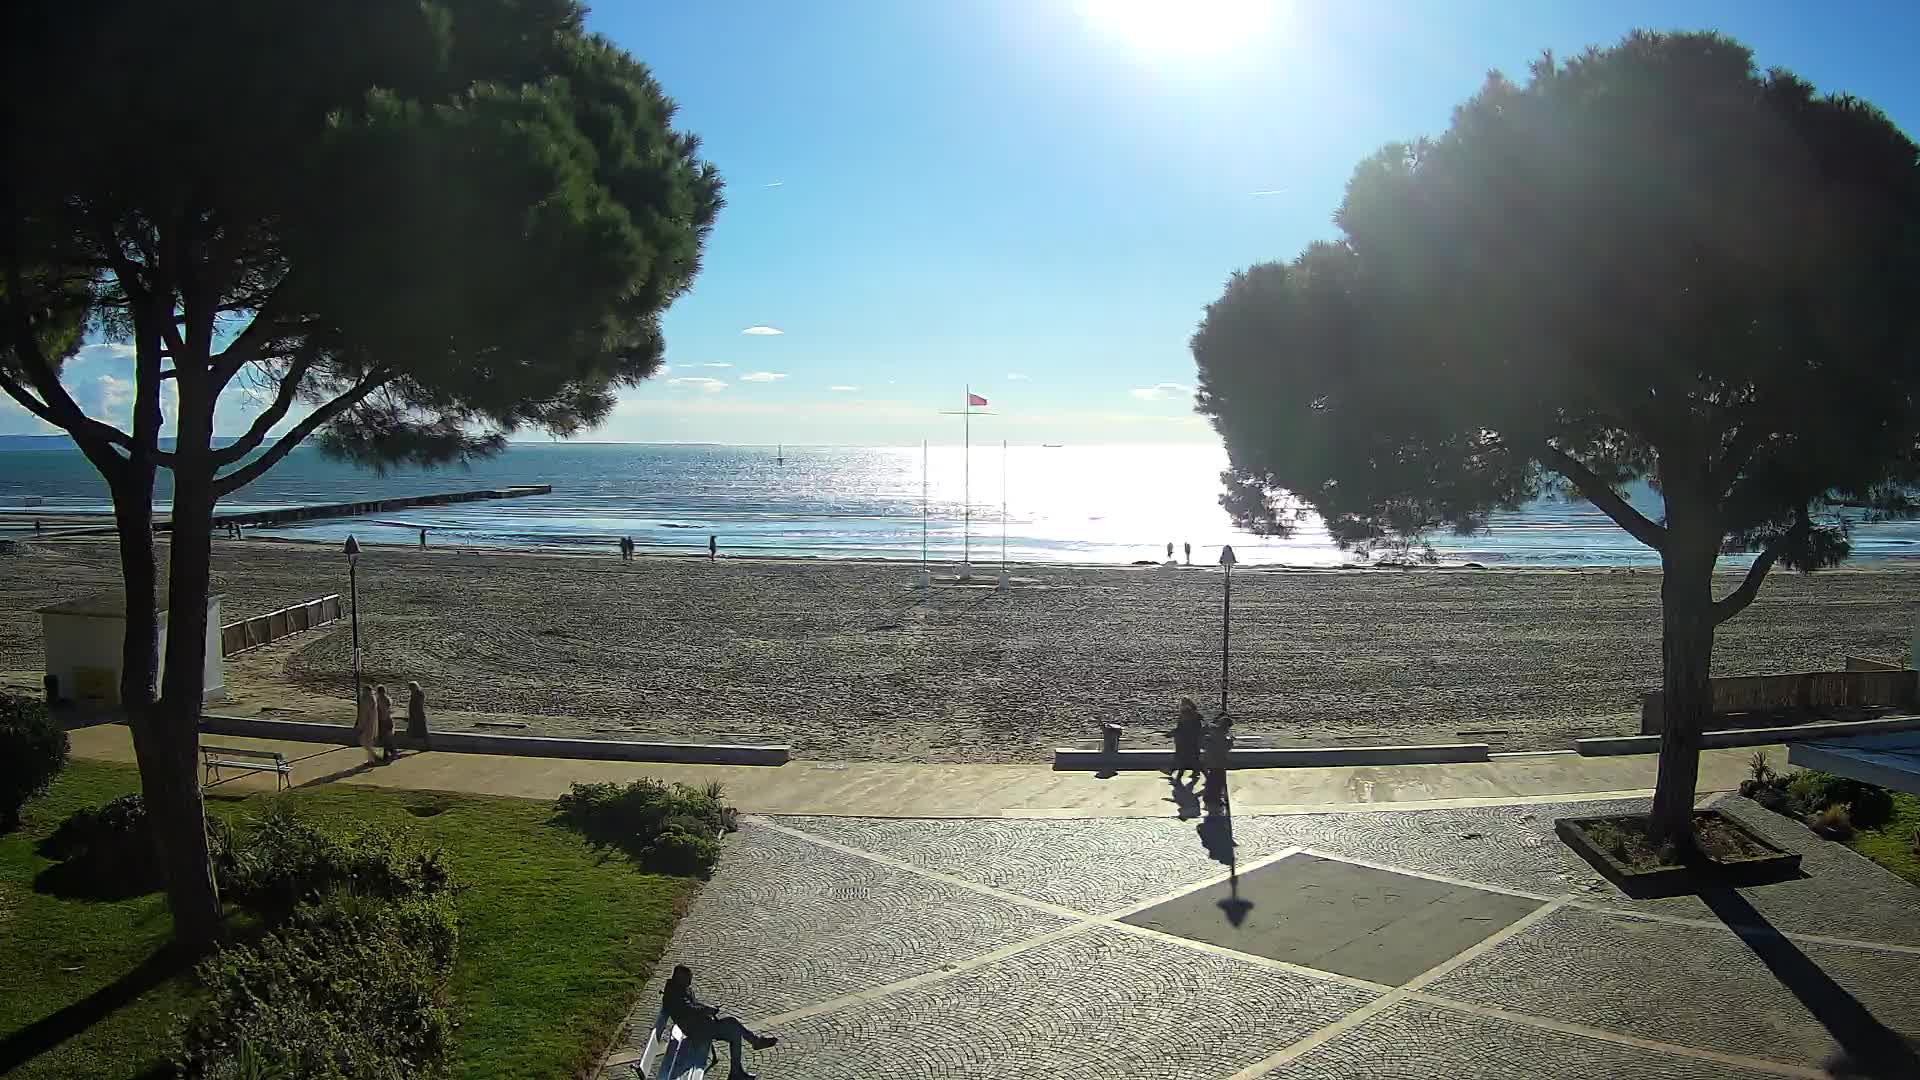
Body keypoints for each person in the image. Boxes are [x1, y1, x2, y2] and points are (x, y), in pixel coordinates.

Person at [661, 965, 777, 1079]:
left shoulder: (677, 988)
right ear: (679, 977)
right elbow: (689, 1009)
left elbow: (692, 1006)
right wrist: (706, 1010)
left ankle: (737, 1070)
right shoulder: (674, 994)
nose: (690, 982)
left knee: (734, 1033)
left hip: (698, 1026)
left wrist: (707, 1009)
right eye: (688, 979)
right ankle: (753, 1044)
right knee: (732, 1024)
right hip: (696, 1031)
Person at [1202, 712, 1234, 811]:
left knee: (1212, 779)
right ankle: (1215, 799)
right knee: (1218, 781)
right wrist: (1230, 741)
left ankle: (1209, 798)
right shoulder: (1221, 735)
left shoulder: (1212, 731)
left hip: (1211, 760)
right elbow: (1225, 747)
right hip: (1219, 761)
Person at [1172, 697, 1203, 785]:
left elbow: (1180, 729)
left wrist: (1174, 733)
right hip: (1192, 741)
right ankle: (1197, 773)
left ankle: (1178, 776)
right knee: (1194, 758)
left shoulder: (1186, 716)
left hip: (1186, 741)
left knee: (1184, 759)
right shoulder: (1195, 716)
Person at [355, 684, 378, 764]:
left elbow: (365, 713)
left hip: (368, 723)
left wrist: (362, 724)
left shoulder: (368, 699)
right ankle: (372, 757)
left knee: (365, 741)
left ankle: (372, 757)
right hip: (369, 722)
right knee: (367, 741)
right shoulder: (370, 698)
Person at [374, 683, 396, 763]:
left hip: (384, 721)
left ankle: (387, 753)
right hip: (385, 720)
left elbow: (383, 711)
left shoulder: (381, 700)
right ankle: (389, 752)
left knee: (384, 738)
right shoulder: (385, 699)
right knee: (385, 738)